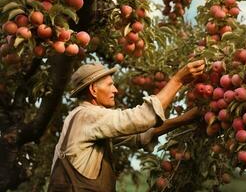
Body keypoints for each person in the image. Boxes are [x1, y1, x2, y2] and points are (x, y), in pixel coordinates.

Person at [48, 60, 205, 192]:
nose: (115, 90)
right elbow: (142, 118)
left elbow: (140, 135)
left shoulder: (91, 122)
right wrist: (178, 80)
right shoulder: (87, 116)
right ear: (93, 90)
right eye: (110, 85)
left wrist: (187, 118)